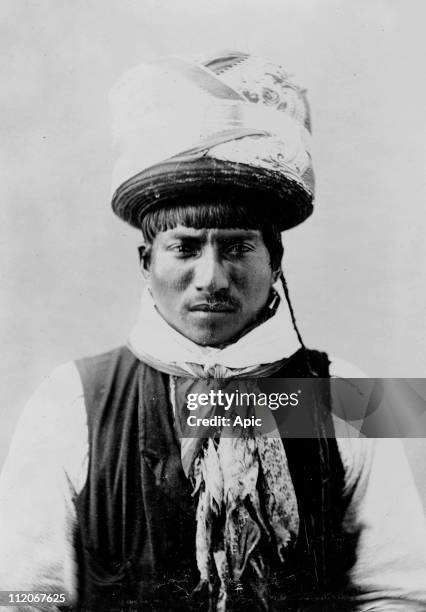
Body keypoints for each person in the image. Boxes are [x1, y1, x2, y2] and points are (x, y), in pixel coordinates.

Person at [1, 51, 426, 612]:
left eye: (237, 247)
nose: (211, 278)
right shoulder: (72, 398)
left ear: (274, 260)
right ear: (145, 262)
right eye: (184, 248)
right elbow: (23, 593)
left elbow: (400, 591)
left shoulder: (349, 395)